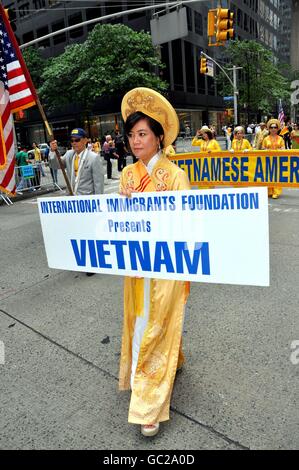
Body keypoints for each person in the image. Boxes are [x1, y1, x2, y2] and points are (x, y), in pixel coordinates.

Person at [119, 87, 190, 437]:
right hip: (136, 266)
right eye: (132, 135)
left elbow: (183, 222)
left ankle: (148, 402)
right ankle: (167, 361)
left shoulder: (175, 176)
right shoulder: (127, 175)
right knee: (143, 320)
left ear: (159, 138)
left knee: (157, 319)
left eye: (143, 134)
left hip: (165, 265)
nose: (135, 141)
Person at [50, 128, 104, 195]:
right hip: (71, 199)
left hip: (87, 200)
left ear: (85, 140)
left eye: (77, 140)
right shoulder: (69, 154)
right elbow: (55, 165)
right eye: (72, 141)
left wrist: (98, 201)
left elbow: (98, 183)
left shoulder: (93, 157)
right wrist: (52, 151)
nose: (74, 143)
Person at [262, 119, 285, 199]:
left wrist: (280, 150)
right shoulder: (266, 139)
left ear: (277, 128)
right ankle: (269, 191)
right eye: (271, 127)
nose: (273, 129)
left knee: (276, 176)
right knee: (268, 175)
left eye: (275, 127)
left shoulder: (281, 139)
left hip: (278, 160)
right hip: (268, 160)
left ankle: (276, 192)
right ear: (269, 128)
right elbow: (263, 148)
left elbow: (283, 148)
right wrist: (266, 150)